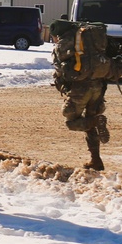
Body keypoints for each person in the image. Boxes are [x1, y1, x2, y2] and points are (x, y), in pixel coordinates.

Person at [49, 18, 112, 171]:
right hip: (99, 85)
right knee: (89, 122)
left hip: (81, 88)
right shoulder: (88, 37)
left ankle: (96, 121)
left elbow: (60, 69)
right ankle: (96, 160)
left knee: (71, 120)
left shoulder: (64, 43)